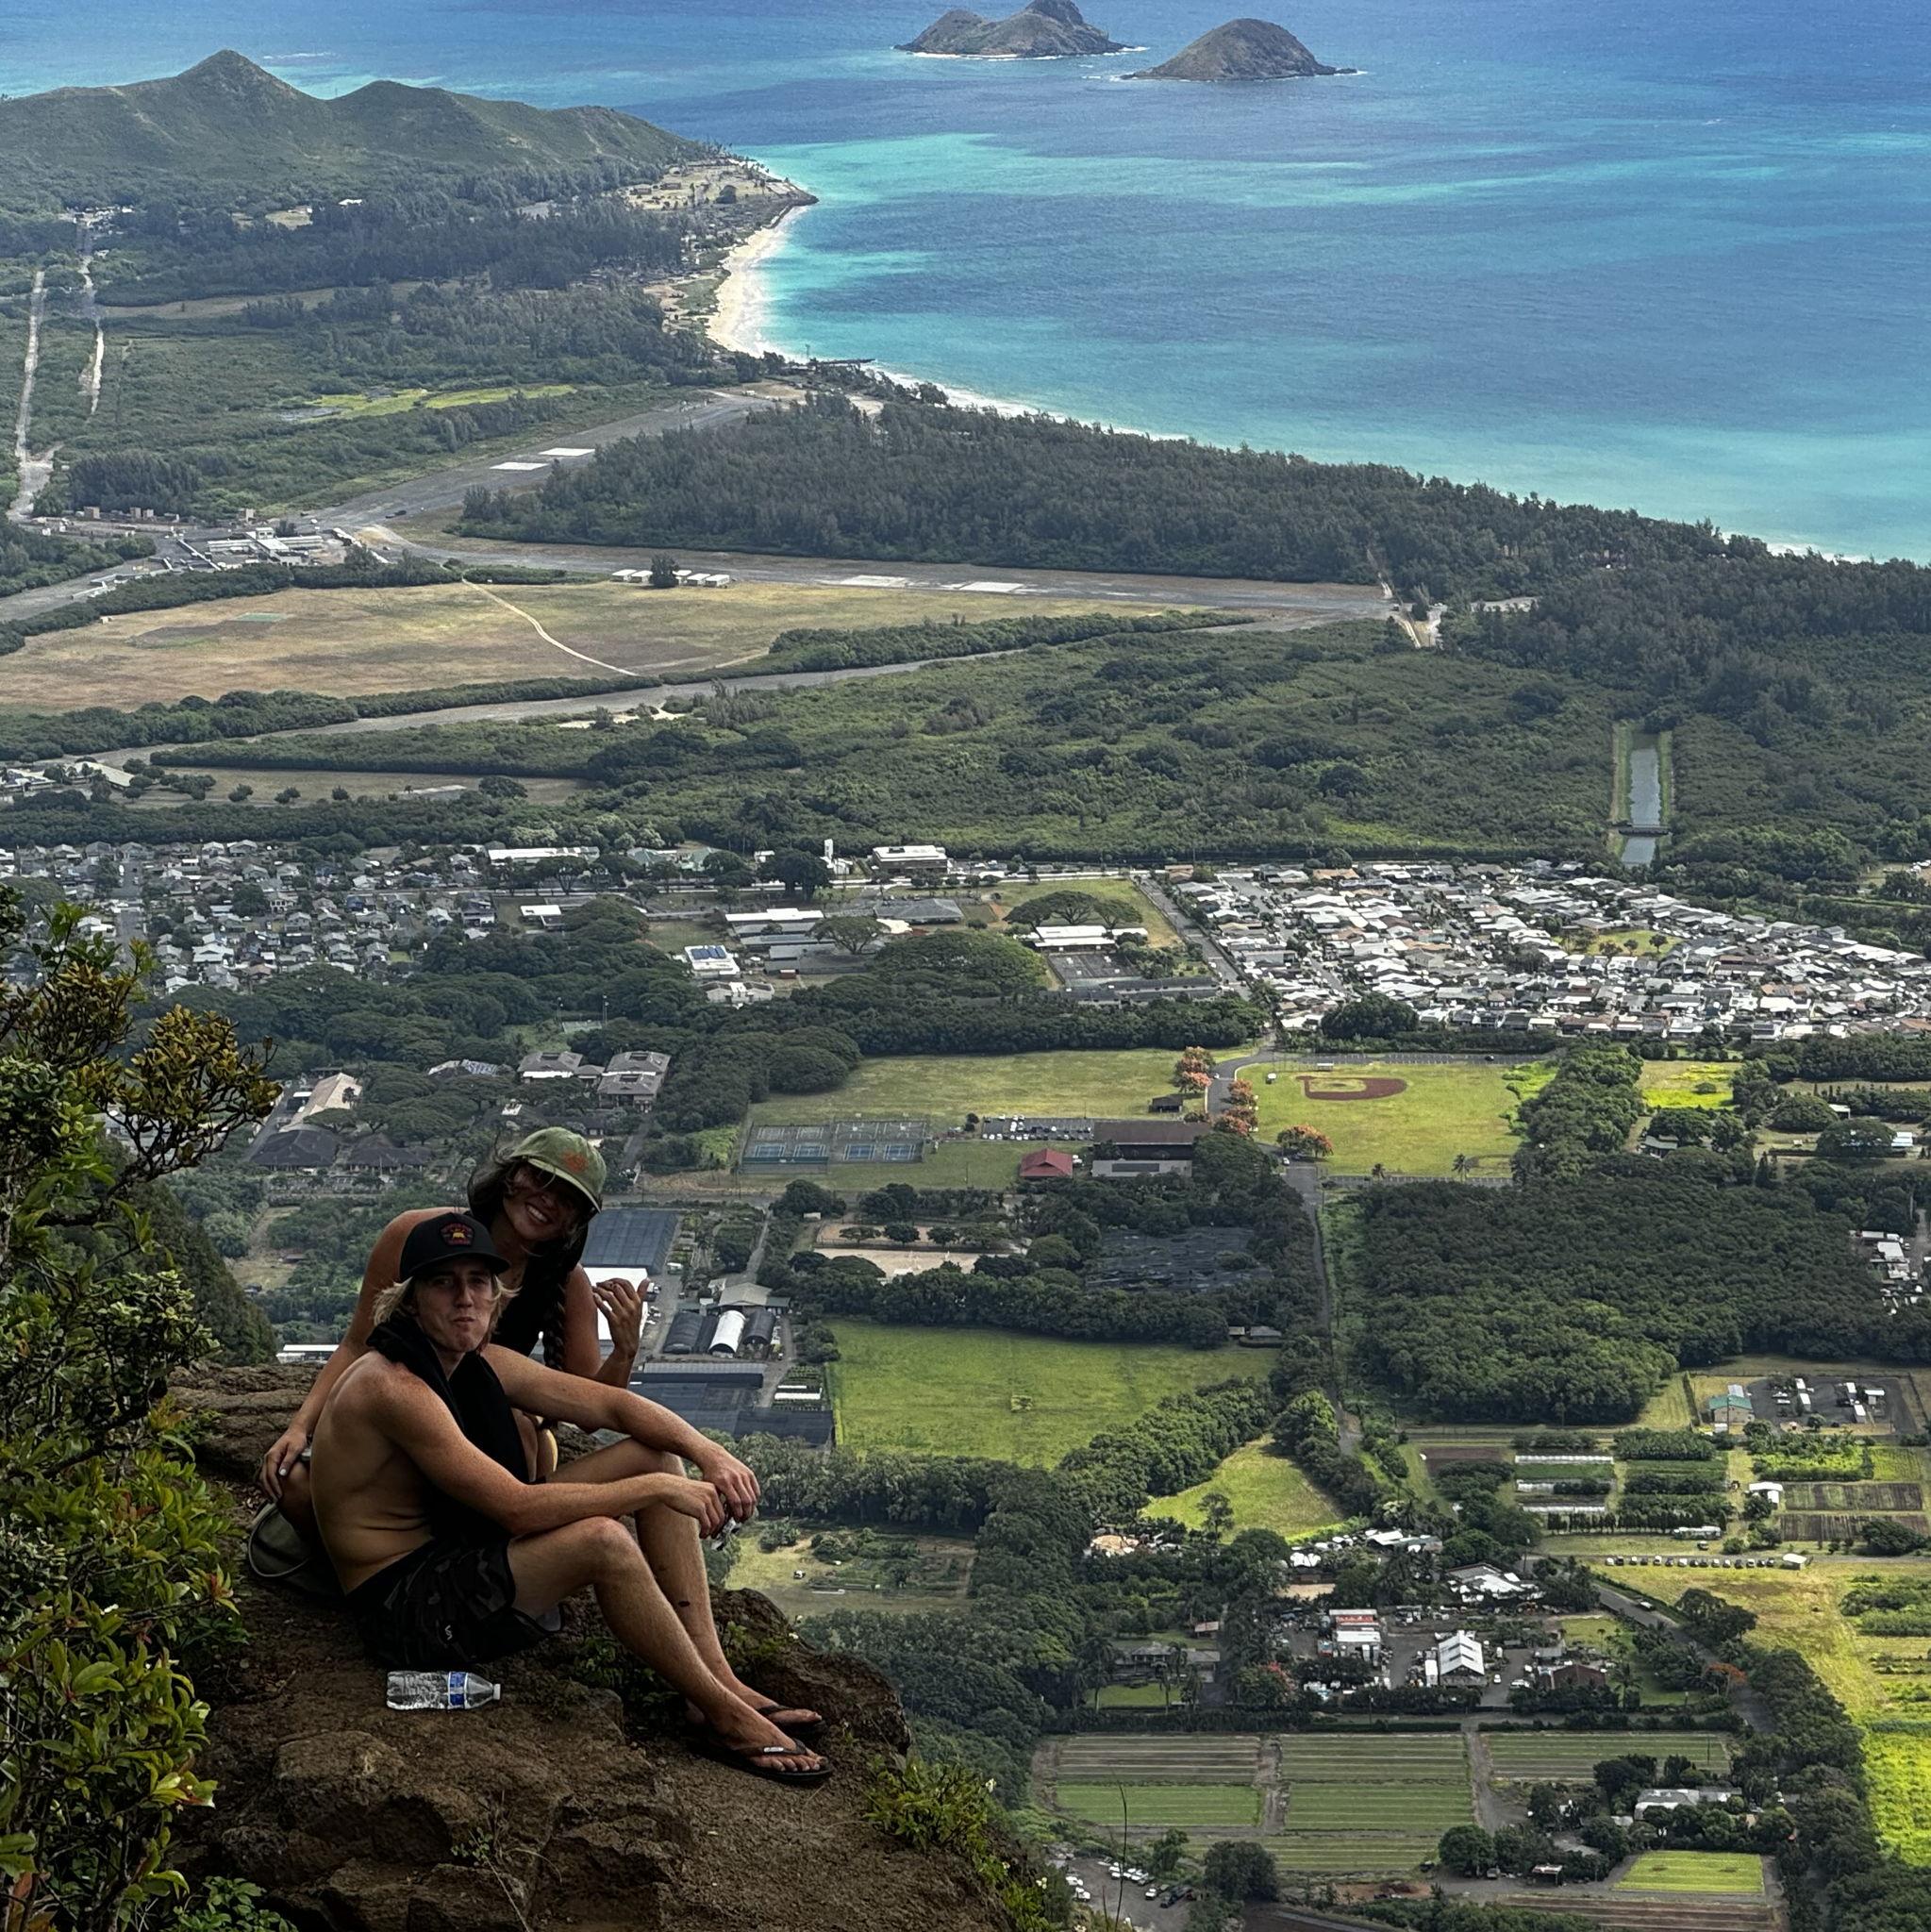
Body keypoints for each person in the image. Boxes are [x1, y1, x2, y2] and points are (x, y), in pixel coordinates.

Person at [310, 1211, 828, 1786]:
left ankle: (718, 1682)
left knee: (654, 1455)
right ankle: (723, 1717)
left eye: (478, 1282)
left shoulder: (473, 1361)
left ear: (497, 1296)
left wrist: (708, 1452)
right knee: (605, 1540)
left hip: (455, 1546)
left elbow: (610, 1406)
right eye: (442, 1283)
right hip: (405, 1604)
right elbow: (515, 1508)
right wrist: (657, 1491)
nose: (464, 1299)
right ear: (409, 1301)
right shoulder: (394, 1386)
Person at [261, 1129, 642, 1535]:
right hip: (404, 1407)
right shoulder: (420, 1235)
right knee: (292, 1486)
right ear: (510, 1177)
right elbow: (357, 1344)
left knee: (519, 1428)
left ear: (576, 1221)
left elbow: (591, 1408)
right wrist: (300, 1427)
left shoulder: (565, 1282)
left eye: (568, 1199)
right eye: (541, 1179)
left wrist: (624, 1351)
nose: (549, 1200)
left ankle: (497, 1548)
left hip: (493, 1429)